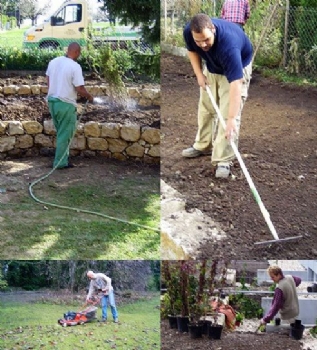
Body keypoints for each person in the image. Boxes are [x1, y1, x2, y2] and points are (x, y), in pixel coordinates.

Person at [182, 13, 252, 178]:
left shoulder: (229, 46)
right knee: (206, 107)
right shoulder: (190, 32)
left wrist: (232, 118)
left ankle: (223, 159)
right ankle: (203, 145)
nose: (203, 44)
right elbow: (192, 51)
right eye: (199, 41)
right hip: (212, 67)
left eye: (206, 39)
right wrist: (199, 74)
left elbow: (236, 83)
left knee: (227, 114)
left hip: (235, 71)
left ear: (213, 29)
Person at [46, 42, 94, 169]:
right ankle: (60, 163)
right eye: (79, 53)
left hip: (52, 102)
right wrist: (89, 96)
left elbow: (48, 80)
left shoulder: (54, 61)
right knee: (65, 134)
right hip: (65, 104)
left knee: (61, 132)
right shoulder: (75, 66)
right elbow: (79, 88)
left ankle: (63, 159)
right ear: (77, 52)